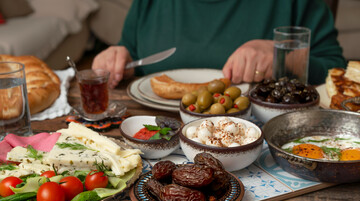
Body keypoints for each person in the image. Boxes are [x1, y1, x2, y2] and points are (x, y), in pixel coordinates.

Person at [92, 0, 346, 89]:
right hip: (156, 136)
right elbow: (133, 54)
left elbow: (337, 70)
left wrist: (284, 58)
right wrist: (119, 58)